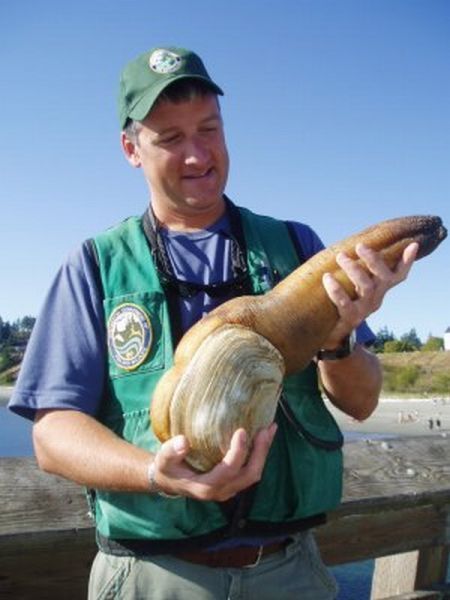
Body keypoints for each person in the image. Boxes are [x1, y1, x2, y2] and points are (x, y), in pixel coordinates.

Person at [9, 46, 418, 599]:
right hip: (153, 578)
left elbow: (362, 402)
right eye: (170, 138)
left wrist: (339, 339)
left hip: (289, 571)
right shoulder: (96, 265)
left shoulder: (298, 248)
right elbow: (53, 437)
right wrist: (156, 474)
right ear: (131, 149)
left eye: (209, 129)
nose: (198, 154)